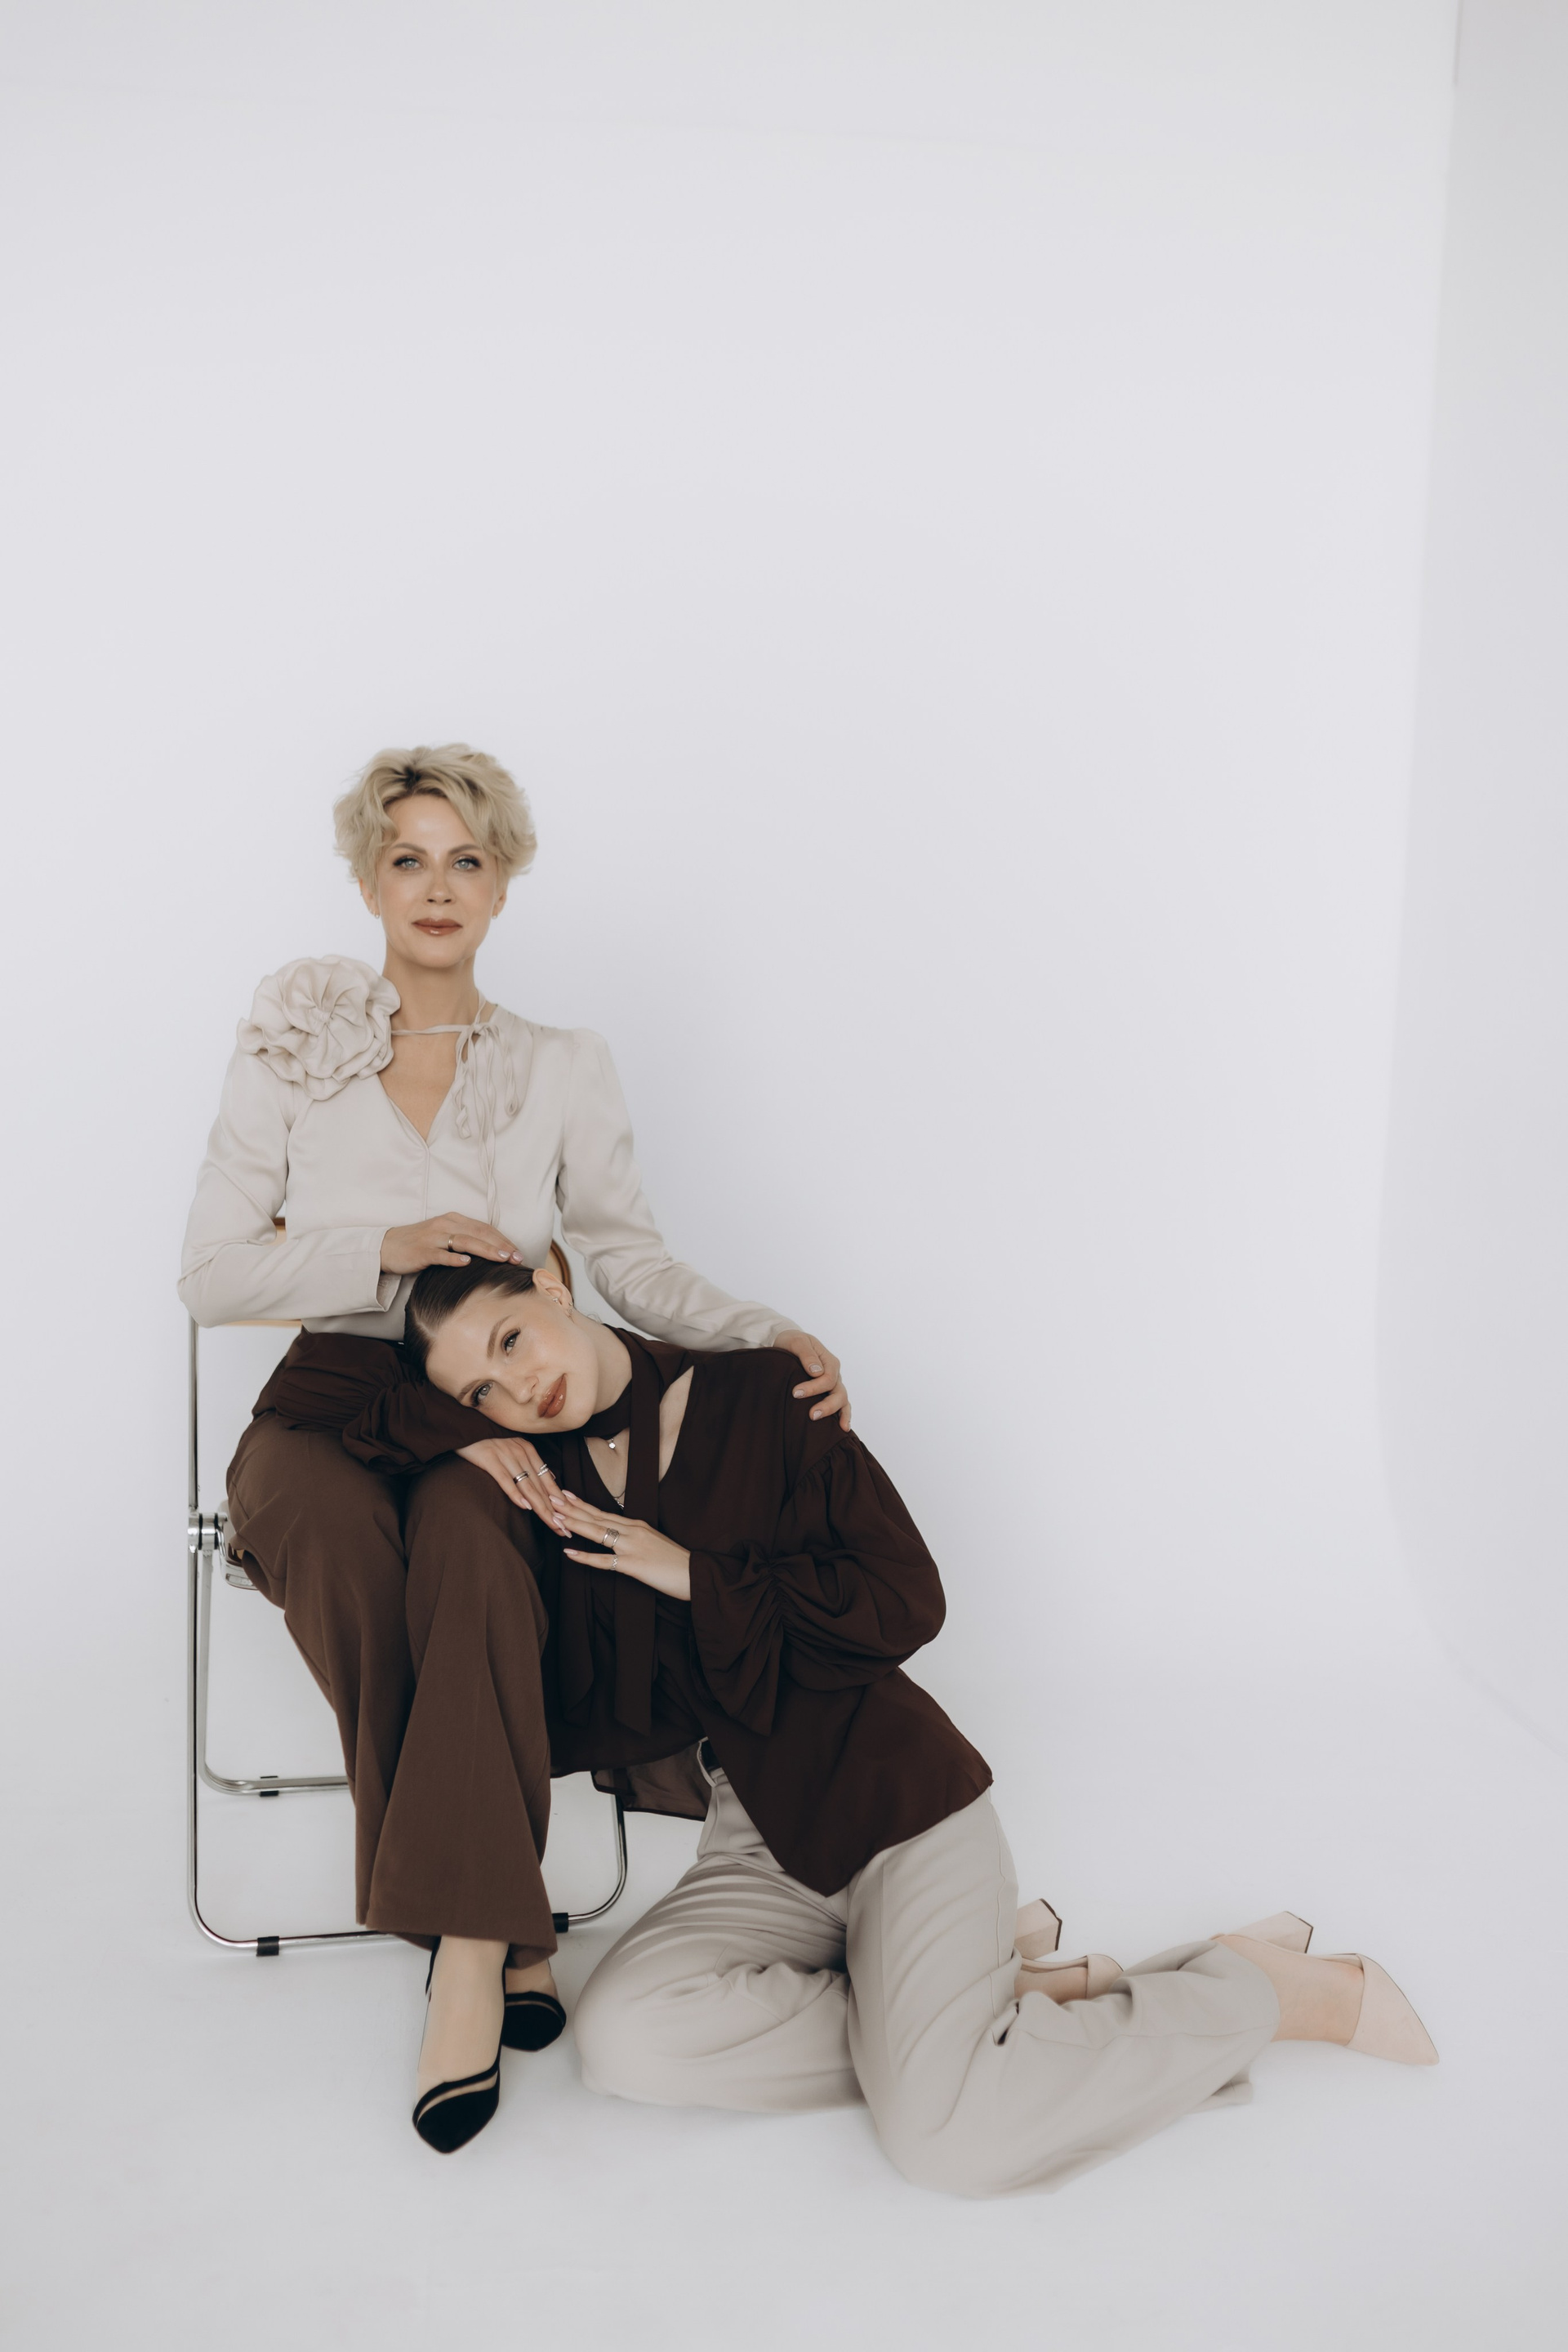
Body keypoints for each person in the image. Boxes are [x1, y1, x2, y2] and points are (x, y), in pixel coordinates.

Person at [259, 1258, 1439, 2176]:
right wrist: (456, 1416)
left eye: (513, 1339)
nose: (518, 1386)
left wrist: (692, 1574)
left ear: (555, 1286)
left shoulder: (765, 1393)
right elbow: (313, 1398)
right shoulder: (536, 1489)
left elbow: (906, 1599)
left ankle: (1263, 1991)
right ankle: (970, 2010)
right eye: (480, 1389)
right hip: (757, 1837)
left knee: (948, 2139)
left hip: (891, 1802)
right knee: (626, 2044)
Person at [179, 743, 849, 2143]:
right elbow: (211, 1274)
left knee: (479, 1550)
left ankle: (466, 1954)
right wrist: (384, 1248)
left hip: (491, 1406)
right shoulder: (295, 1045)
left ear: (501, 885)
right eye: (408, 859)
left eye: (466, 860)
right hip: (328, 1400)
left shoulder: (562, 1066)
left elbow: (627, 1259)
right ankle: (504, 1915)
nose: (437, 887)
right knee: (339, 1541)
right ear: (371, 881)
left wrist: (762, 1329)